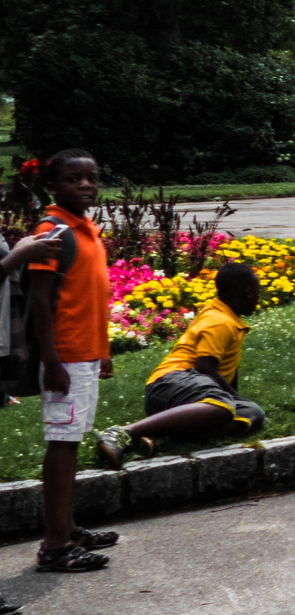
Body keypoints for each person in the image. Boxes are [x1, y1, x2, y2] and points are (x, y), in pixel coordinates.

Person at [25, 149, 117, 572]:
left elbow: (90, 296)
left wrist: (103, 352)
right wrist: (51, 360)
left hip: (85, 354)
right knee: (62, 445)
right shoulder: (52, 230)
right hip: (64, 357)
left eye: (92, 178)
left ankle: (69, 528)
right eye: (73, 179)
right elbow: (40, 300)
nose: (85, 185)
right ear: (54, 186)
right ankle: (54, 546)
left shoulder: (86, 230)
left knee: (72, 440)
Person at [94, 263, 267, 468]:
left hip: (190, 394)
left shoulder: (224, 317)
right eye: (257, 292)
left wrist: (236, 399)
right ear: (248, 292)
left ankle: (159, 435)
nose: (257, 297)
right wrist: (232, 398)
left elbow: (225, 369)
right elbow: (205, 367)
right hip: (172, 383)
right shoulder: (220, 321)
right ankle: (123, 432)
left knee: (252, 412)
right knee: (224, 407)